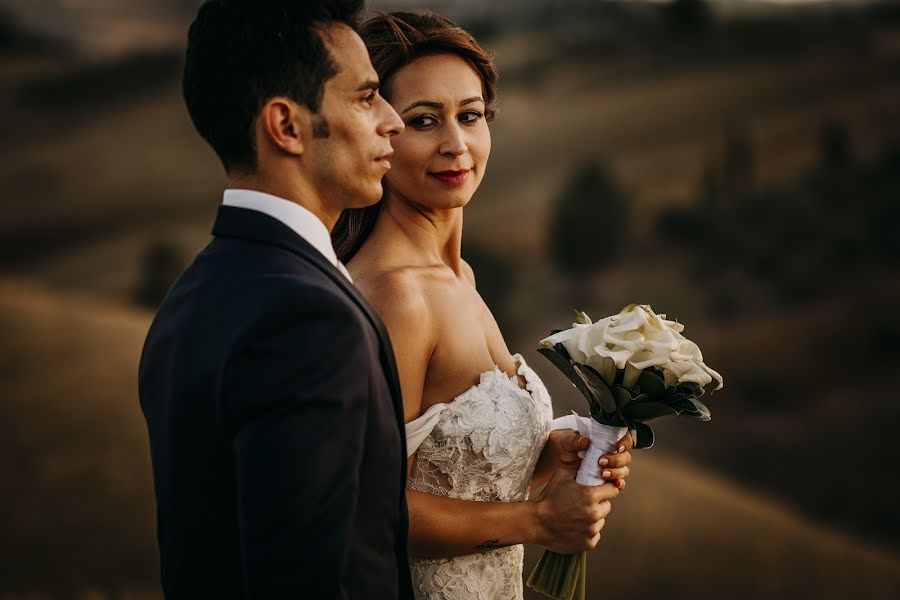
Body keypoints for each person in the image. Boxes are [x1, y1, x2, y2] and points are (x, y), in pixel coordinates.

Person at [332, 11, 633, 599]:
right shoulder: (398, 295)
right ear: (377, 133)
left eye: (470, 116)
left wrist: (555, 455)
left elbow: (456, 475)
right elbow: (364, 509)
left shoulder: (458, 277)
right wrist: (542, 521)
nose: (456, 144)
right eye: (423, 121)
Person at [138, 1, 413, 598]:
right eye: (367, 98)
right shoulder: (309, 319)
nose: (391, 120)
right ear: (286, 126)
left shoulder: (189, 298)